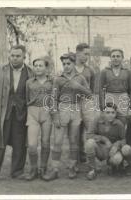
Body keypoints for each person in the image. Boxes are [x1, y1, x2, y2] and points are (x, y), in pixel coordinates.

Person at [0, 45, 33, 183]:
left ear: (24, 57)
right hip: (3, 112)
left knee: (20, 143)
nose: (14, 58)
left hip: (22, 114)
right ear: (9, 56)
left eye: (18, 56)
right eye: (12, 55)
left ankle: (17, 171)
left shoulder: (30, 72)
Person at [43, 53, 92, 181]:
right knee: (58, 141)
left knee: (74, 141)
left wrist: (79, 87)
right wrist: (55, 115)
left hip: (76, 109)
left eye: (68, 63)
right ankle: (55, 169)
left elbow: (89, 94)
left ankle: (72, 167)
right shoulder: (58, 79)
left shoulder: (80, 78)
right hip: (62, 108)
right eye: (64, 64)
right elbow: (53, 98)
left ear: (74, 63)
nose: (66, 66)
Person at [85, 102, 131, 180]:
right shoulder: (96, 120)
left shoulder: (119, 124)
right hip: (100, 148)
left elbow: (124, 139)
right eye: (107, 112)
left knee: (117, 159)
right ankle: (92, 169)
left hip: (112, 150)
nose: (110, 115)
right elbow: (88, 135)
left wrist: (116, 145)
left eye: (113, 113)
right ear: (103, 113)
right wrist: (104, 139)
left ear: (116, 114)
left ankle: (113, 165)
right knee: (89, 143)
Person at [24, 57, 53, 181]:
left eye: (41, 66)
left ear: (46, 68)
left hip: (47, 112)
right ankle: (33, 169)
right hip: (33, 112)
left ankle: (43, 169)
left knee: (45, 142)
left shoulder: (52, 82)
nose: (38, 68)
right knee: (32, 144)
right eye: (35, 66)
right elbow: (26, 98)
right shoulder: (29, 82)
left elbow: (55, 97)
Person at [74, 43, 98, 163]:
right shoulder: (70, 67)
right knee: (75, 130)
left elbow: (92, 89)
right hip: (73, 103)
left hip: (86, 102)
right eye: (85, 54)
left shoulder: (90, 71)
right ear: (77, 53)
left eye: (88, 54)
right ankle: (78, 157)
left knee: (90, 128)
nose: (87, 57)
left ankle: (91, 156)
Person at [99, 49, 131, 124]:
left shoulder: (128, 71)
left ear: (122, 58)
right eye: (113, 56)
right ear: (110, 58)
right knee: (109, 121)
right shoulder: (105, 71)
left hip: (123, 97)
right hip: (110, 97)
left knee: (123, 120)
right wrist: (102, 105)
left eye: (118, 56)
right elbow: (101, 89)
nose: (115, 58)